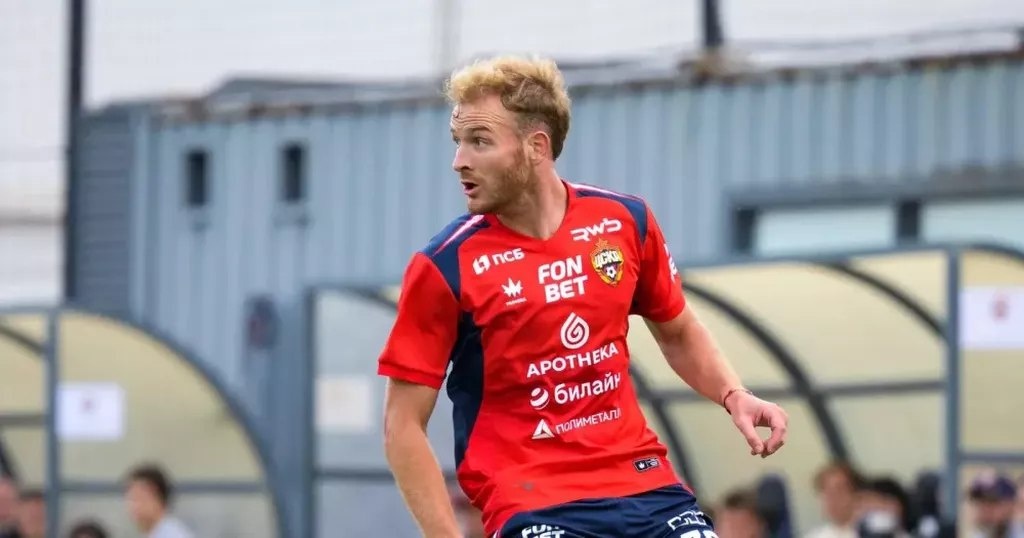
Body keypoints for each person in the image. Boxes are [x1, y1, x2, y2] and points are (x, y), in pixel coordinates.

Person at [377, 54, 789, 538]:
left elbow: (677, 333)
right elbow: (402, 424)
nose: (459, 161)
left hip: (645, 485)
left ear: (536, 146)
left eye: (479, 141)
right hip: (532, 501)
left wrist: (733, 394)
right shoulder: (443, 266)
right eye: (458, 141)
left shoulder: (624, 221)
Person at [123, 464, 194, 538]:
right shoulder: (156, 532)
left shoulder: (173, 534)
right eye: (130, 499)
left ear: (158, 499)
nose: (133, 506)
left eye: (139, 498)